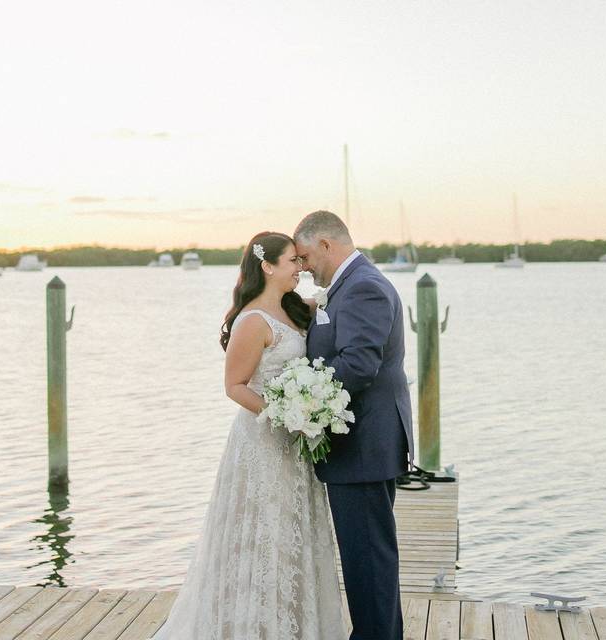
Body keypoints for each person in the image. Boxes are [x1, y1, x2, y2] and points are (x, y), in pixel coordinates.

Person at [151, 231, 345, 640]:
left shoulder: (297, 308)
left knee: (293, 537)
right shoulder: (252, 321)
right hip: (263, 443)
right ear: (268, 266)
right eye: (293, 261)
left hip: (296, 445)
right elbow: (236, 386)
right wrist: (286, 414)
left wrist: (307, 414)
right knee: (262, 536)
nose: (301, 267)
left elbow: (333, 301)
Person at [293, 211, 414, 640]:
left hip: (364, 443)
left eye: (305, 256)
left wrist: (301, 402)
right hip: (361, 443)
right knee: (368, 559)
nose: (303, 266)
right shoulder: (347, 286)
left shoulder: (363, 286)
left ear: (326, 244)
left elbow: (359, 367)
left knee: (368, 560)